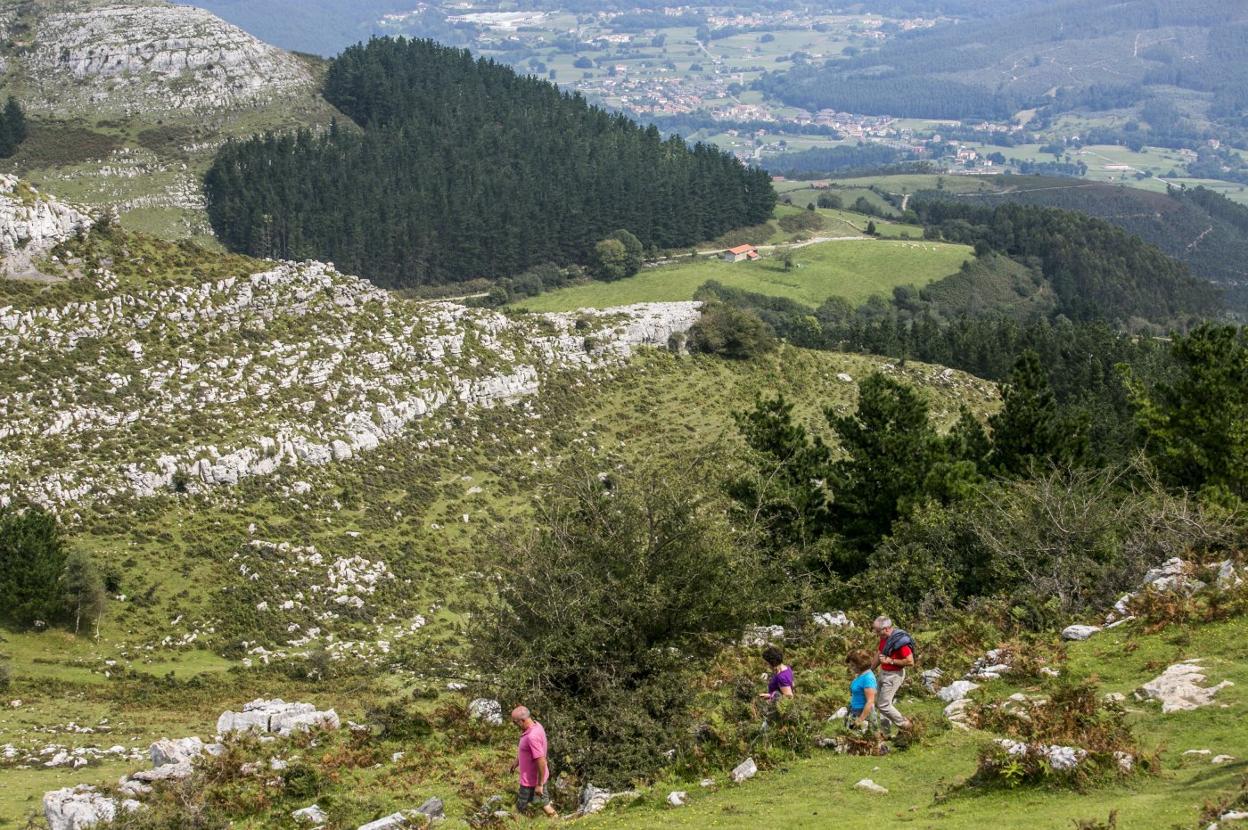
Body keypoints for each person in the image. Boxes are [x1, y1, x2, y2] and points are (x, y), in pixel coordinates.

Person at [509, 705, 557, 817]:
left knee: (520, 809)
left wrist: (539, 784)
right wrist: (517, 761)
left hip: (530, 782)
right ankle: (559, 822)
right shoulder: (537, 725)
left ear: (523, 720)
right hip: (537, 778)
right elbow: (528, 751)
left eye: (515, 722)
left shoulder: (531, 736)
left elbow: (541, 760)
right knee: (544, 803)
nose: (515, 725)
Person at [870, 616, 914, 731]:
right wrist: (870, 670)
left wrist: (891, 661)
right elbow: (880, 653)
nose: (876, 634)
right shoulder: (884, 638)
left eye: (878, 631)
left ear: (886, 629)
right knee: (880, 704)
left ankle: (906, 726)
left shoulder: (901, 642)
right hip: (883, 672)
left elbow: (910, 661)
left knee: (884, 705)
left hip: (894, 675)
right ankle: (886, 732)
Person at [845, 649, 878, 732]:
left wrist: (860, 720)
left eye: (853, 665)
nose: (851, 668)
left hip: (862, 712)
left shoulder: (868, 678)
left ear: (860, 664)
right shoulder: (860, 675)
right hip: (855, 710)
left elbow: (870, 701)